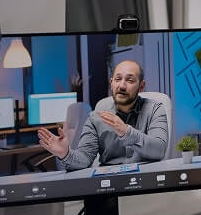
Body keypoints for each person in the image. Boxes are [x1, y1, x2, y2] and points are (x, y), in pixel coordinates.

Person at [38, 60, 168, 170]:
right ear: (111, 83)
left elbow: (159, 150)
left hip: (146, 180)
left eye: (130, 80)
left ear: (141, 86)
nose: (122, 86)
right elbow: (84, 159)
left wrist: (126, 132)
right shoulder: (95, 118)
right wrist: (65, 154)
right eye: (118, 79)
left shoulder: (155, 109)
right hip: (110, 183)